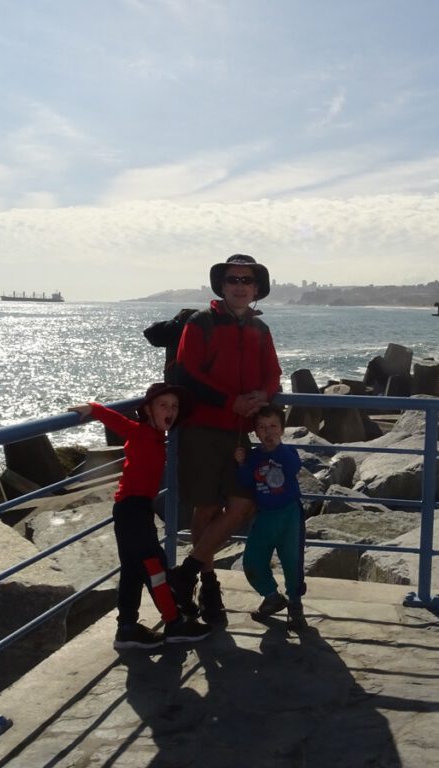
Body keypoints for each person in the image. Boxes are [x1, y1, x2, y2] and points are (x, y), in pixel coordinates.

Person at [169, 254, 282, 626]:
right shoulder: (201, 323)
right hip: (202, 428)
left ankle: (185, 571)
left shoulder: (260, 330)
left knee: (242, 504)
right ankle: (209, 584)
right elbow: (187, 374)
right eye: (233, 279)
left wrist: (261, 397)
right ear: (222, 285)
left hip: (237, 431)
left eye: (246, 280)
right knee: (205, 509)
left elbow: (274, 375)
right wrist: (231, 401)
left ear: (255, 289)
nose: (239, 285)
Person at [69, 384, 211, 650]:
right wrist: (95, 409)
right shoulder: (141, 432)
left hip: (134, 509)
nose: (170, 410)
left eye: (174, 406)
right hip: (131, 510)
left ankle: (127, 628)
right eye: (162, 405)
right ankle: (174, 622)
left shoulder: (158, 436)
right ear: (147, 409)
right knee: (154, 565)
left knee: (133, 571)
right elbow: (120, 423)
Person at [235, 404, 308, 631]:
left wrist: (278, 448)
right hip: (264, 516)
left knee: (292, 562)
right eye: (262, 427)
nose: (268, 432)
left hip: (289, 516)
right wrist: (241, 463)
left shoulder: (288, 452)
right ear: (255, 432)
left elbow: (293, 467)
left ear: (282, 430)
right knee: (252, 561)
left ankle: (295, 604)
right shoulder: (254, 457)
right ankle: (271, 595)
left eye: (273, 426)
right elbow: (248, 482)